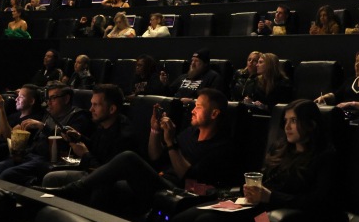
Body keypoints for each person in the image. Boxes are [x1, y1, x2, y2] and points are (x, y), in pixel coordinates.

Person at [169, 100, 346, 222]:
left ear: (311, 125)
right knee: (183, 219)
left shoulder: (325, 157)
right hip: (253, 208)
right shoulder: (281, 150)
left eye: (294, 121)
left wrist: (271, 197)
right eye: (285, 121)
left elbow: (318, 203)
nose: (287, 127)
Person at [40, 88, 235, 209]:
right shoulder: (189, 133)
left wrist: (171, 143)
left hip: (179, 191)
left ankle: (73, 190)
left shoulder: (221, 146)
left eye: (199, 107)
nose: (192, 110)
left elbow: (187, 176)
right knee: (104, 187)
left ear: (214, 113)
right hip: (158, 179)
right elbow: (154, 156)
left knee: (128, 158)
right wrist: (155, 130)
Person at [0, 82, 92, 185]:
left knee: (7, 175)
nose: (48, 102)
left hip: (49, 160)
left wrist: (43, 127)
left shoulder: (78, 116)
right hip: (30, 155)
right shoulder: (49, 115)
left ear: (66, 99)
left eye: (53, 98)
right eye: (48, 98)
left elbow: (69, 141)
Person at [41, 84, 138, 187]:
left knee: (51, 179)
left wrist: (84, 154)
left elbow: (104, 171)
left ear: (112, 109)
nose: (91, 109)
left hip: (106, 182)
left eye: (96, 105)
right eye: (91, 104)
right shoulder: (103, 125)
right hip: (91, 172)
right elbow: (97, 148)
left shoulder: (124, 135)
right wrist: (79, 137)